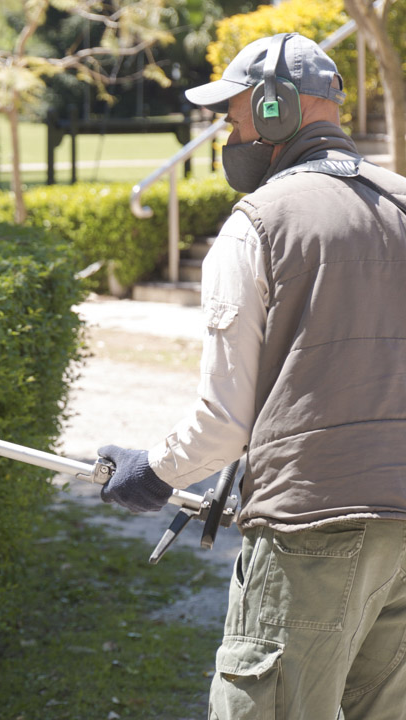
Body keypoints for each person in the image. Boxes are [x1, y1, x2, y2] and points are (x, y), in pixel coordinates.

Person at [96, 32, 406, 719]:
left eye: (232, 119)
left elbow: (224, 424)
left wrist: (152, 471)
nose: (226, 137)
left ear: (274, 111)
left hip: (311, 532)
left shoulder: (259, 223)